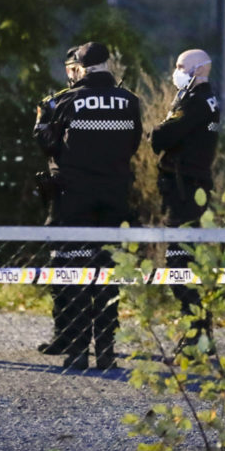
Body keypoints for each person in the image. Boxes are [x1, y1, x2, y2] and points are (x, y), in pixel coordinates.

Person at [33, 41, 142, 370]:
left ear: (80, 68)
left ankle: (78, 351)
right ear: (108, 64)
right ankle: (106, 351)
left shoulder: (64, 101)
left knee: (77, 273)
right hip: (114, 197)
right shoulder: (129, 101)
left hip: (74, 199)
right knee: (107, 273)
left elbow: (48, 145)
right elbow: (133, 144)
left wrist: (42, 124)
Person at [150, 49, 220, 352]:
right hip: (186, 188)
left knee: (179, 265)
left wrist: (157, 131)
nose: (176, 71)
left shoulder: (196, 102)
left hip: (185, 190)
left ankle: (196, 336)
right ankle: (200, 336)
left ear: (199, 69)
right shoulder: (199, 99)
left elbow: (163, 136)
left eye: (181, 66)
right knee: (184, 264)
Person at [33, 47, 80, 357]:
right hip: (61, 193)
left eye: (79, 67)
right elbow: (44, 144)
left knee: (90, 269)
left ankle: (85, 337)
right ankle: (63, 333)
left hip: (82, 193)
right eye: (70, 68)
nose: (74, 73)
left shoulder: (82, 101)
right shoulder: (56, 101)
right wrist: (44, 121)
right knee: (60, 265)